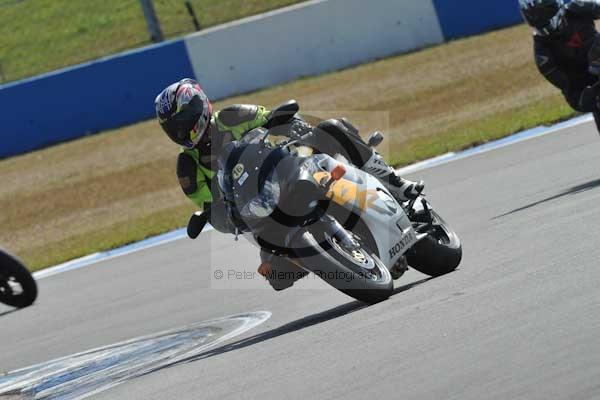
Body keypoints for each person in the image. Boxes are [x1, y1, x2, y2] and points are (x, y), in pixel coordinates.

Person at [154, 78, 423, 290]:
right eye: (172, 127)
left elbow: (275, 118)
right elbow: (210, 207)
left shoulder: (233, 116)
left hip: (289, 167)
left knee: (332, 127)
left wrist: (292, 126)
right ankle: (328, 257)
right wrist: (218, 218)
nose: (180, 131)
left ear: (199, 107)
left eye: (183, 121)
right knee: (277, 275)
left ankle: (397, 184)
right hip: (258, 210)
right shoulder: (187, 167)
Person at [520, 0, 600, 125]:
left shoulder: (577, 8)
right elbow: (572, 94)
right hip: (590, 88)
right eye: (532, 13)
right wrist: (590, 96)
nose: (538, 16)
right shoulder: (543, 57)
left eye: (541, 11)